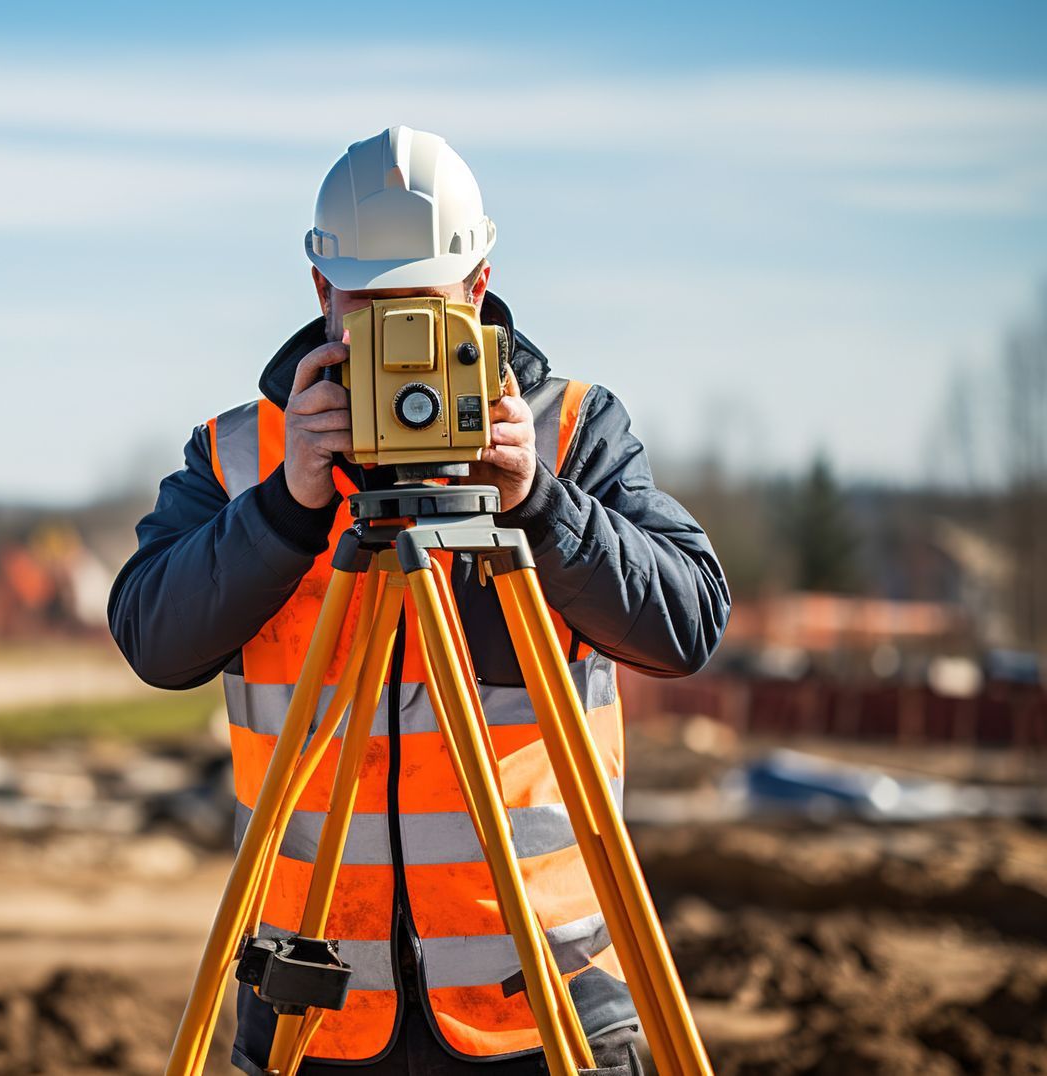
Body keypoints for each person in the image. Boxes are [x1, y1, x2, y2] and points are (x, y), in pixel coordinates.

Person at [109, 127, 730, 1075]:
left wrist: (541, 505)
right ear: (322, 295)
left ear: (478, 288)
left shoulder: (568, 432)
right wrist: (284, 509)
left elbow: (686, 623)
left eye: (424, 307)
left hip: (546, 1002)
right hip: (312, 1001)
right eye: (371, 306)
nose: (398, 342)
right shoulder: (245, 455)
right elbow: (154, 637)